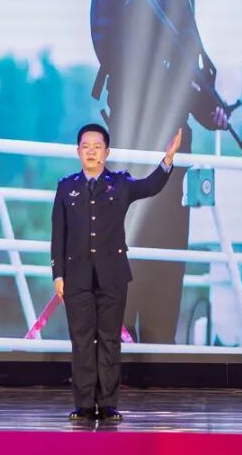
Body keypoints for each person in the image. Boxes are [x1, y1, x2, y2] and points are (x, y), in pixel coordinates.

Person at [89, 0, 231, 344]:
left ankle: (161, 358)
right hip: (132, 131)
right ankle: (118, 354)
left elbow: (187, 50)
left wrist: (208, 108)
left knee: (170, 257)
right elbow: (104, 39)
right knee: (127, 252)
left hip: (175, 136)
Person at [51, 124, 182, 421]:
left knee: (109, 339)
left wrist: (168, 159)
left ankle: (108, 404)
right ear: (78, 151)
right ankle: (84, 405)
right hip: (76, 276)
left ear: (107, 152)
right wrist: (58, 274)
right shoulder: (66, 187)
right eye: (86, 146)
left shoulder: (120, 183)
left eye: (97, 146)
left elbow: (150, 186)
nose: (91, 151)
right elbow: (58, 235)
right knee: (82, 341)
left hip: (113, 275)